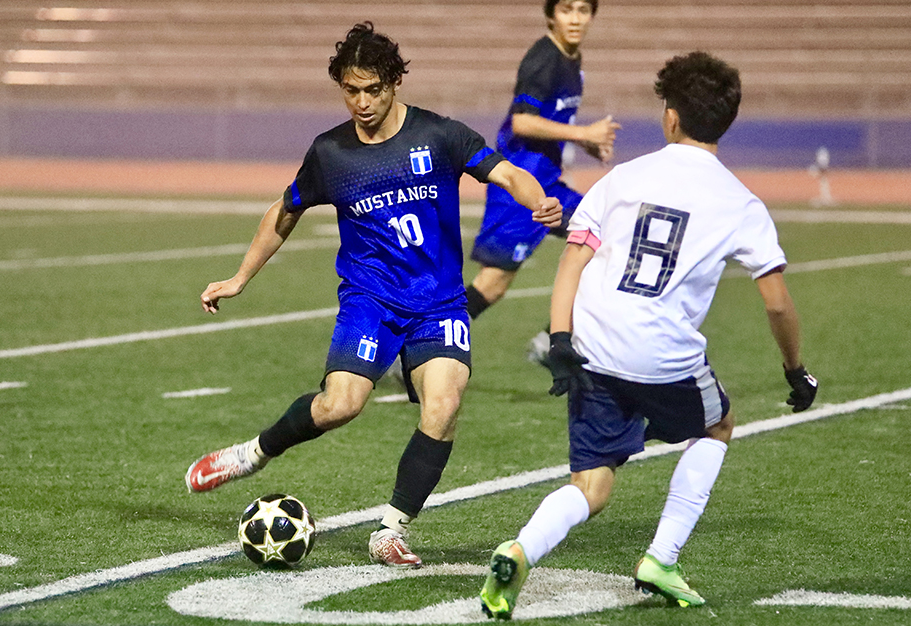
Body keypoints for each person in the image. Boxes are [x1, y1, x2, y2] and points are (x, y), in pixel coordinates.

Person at [184, 22, 562, 569]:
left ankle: (390, 530)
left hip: (438, 302)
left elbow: (506, 173)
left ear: (395, 83)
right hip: (371, 300)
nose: (362, 102)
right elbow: (284, 212)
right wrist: (241, 277)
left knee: (445, 403)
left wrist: (539, 201)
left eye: (373, 90)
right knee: (340, 405)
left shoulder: (439, 136)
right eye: (351, 90)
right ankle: (254, 453)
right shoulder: (331, 153)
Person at [479, 51, 818, 618]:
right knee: (718, 424)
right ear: (726, 121)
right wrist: (794, 369)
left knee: (591, 484)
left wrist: (560, 341)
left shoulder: (624, 177)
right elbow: (777, 303)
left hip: (592, 344)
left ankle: (519, 550)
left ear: (670, 118)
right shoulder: (741, 202)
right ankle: (661, 557)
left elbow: (573, 260)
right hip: (662, 354)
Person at [466, 0, 620, 336]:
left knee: (607, 238)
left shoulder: (572, 58)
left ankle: (557, 338)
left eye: (583, 10)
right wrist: (583, 133)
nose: (575, 19)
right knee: (492, 284)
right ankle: (422, 346)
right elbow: (522, 122)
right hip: (520, 188)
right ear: (550, 15)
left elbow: (550, 120)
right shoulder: (543, 59)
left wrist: (585, 143)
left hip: (549, 185)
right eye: (566, 10)